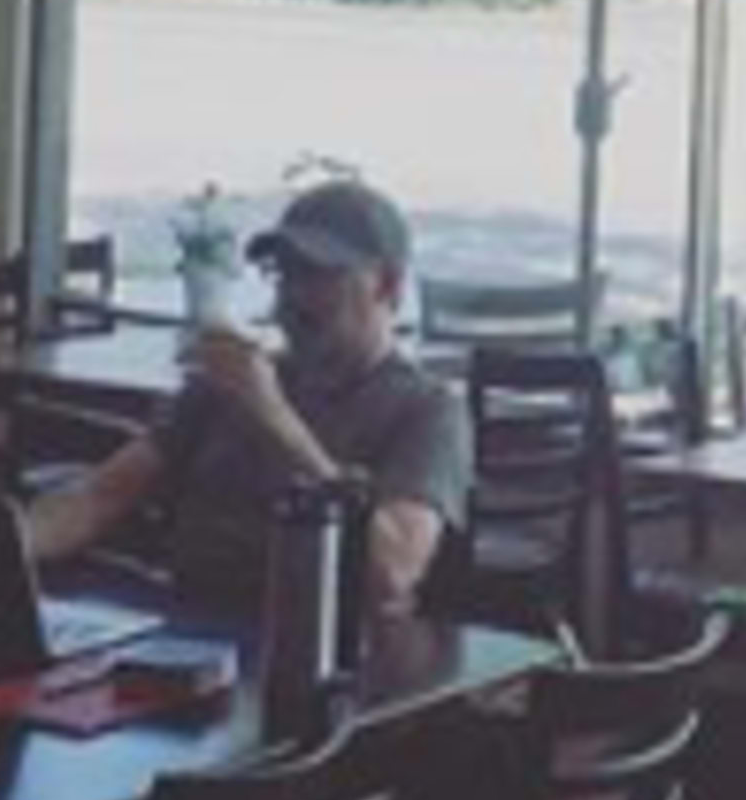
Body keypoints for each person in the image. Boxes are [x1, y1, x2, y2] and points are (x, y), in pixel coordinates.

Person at [27, 177, 469, 619]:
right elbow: (100, 498)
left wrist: (273, 417)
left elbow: (391, 572)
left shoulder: (427, 410)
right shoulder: (233, 382)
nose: (292, 296)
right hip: (183, 629)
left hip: (320, 647)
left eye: (316, 275)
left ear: (387, 285)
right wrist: (5, 548)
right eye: (284, 273)